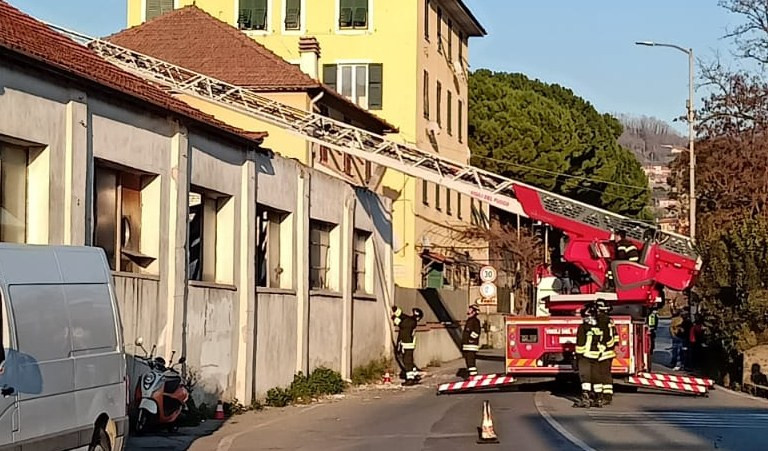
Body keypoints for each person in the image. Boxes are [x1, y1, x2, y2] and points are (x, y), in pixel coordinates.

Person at [573, 303, 603, 408]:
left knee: (585, 377)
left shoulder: (583, 328)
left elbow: (580, 343)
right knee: (596, 377)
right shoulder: (599, 327)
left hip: (585, 355)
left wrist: (577, 356)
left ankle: (585, 399)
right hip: (596, 355)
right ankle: (598, 399)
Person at [391, 306, 423, 386]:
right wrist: (395, 309)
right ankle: (415, 375)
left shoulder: (411, 322)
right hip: (406, 344)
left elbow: (402, 324)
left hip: (407, 345)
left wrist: (394, 318)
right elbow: (402, 316)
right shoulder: (411, 320)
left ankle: (410, 379)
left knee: (407, 361)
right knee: (409, 361)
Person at [595, 300, 617, 405]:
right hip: (608, 352)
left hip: (602, 352)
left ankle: (602, 396)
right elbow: (615, 337)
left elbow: (602, 337)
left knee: (600, 375)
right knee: (606, 374)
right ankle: (606, 396)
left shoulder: (601, 321)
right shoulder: (609, 320)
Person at [461, 304, 482, 379]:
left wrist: (470, 339)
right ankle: (471, 375)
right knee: (468, 362)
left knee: (471, 362)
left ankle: (473, 376)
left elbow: (477, 332)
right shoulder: (470, 320)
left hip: (471, 345)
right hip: (467, 345)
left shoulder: (475, 321)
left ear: (474, 312)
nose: (468, 311)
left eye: (470, 310)